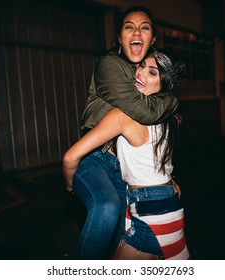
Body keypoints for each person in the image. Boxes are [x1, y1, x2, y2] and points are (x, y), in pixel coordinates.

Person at [67, 6, 178, 260]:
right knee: (106, 208)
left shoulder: (147, 73)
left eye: (144, 27)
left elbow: (153, 140)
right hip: (95, 157)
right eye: (129, 26)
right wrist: (172, 100)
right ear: (119, 37)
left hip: (125, 167)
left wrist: (163, 175)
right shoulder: (110, 65)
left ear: (152, 39)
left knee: (123, 237)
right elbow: (142, 111)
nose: (136, 31)